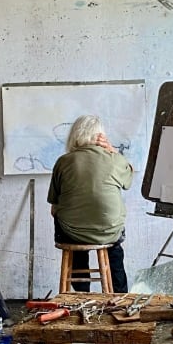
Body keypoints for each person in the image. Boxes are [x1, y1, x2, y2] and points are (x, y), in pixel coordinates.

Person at [47, 114, 133, 292]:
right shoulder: (114, 159)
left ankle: (81, 294)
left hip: (73, 233)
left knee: (71, 228)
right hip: (109, 232)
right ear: (101, 136)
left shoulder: (63, 162)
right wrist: (114, 152)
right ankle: (120, 295)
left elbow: (53, 206)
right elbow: (128, 181)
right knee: (115, 249)